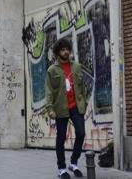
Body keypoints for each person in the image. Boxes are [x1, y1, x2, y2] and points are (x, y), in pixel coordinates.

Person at [45, 38, 87, 179]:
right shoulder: (52, 70)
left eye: (67, 49)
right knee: (61, 137)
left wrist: (84, 103)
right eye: (63, 50)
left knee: (81, 133)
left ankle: (74, 163)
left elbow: (82, 87)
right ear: (58, 52)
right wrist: (50, 108)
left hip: (76, 106)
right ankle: (61, 168)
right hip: (60, 108)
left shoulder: (76, 66)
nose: (66, 52)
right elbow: (49, 91)